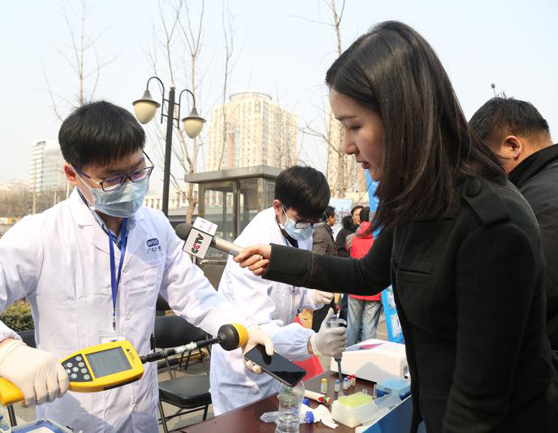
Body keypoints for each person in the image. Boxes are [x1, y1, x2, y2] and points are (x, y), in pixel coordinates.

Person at [234, 21, 558, 433]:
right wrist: (278, 259)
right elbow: (367, 273)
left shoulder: (491, 225)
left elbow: (478, 405)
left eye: (354, 126)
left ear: (403, 117)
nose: (347, 146)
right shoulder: (419, 204)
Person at [0, 101, 273, 433]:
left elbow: (194, 293)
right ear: (72, 174)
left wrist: (243, 326)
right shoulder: (40, 235)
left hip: (141, 410)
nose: (130, 186)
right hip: (76, 413)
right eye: (113, 179)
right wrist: (4, 350)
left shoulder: (155, 226)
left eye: (137, 171)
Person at [209, 166, 345, 415]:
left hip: (277, 359)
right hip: (244, 367)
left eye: (313, 223)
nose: (307, 228)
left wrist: (311, 295)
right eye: (302, 222)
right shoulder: (252, 247)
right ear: (277, 207)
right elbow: (259, 327)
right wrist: (312, 342)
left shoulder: (299, 232)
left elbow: (289, 289)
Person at [469, 97, 558, 351]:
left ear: (512, 146)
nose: (482, 177)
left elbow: (513, 298)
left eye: (485, 164)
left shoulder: (536, 202)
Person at [346, 207, 382, 346]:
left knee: (352, 325)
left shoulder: (351, 238)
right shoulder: (378, 238)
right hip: (374, 288)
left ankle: (349, 354)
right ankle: (367, 354)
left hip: (355, 285)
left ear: (360, 219)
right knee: (369, 327)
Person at [312, 205, 338, 332]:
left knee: (330, 312)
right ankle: (316, 337)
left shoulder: (326, 231)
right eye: (335, 216)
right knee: (321, 314)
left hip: (328, 280)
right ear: (329, 217)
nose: (336, 219)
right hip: (323, 282)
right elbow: (317, 257)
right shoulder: (321, 233)